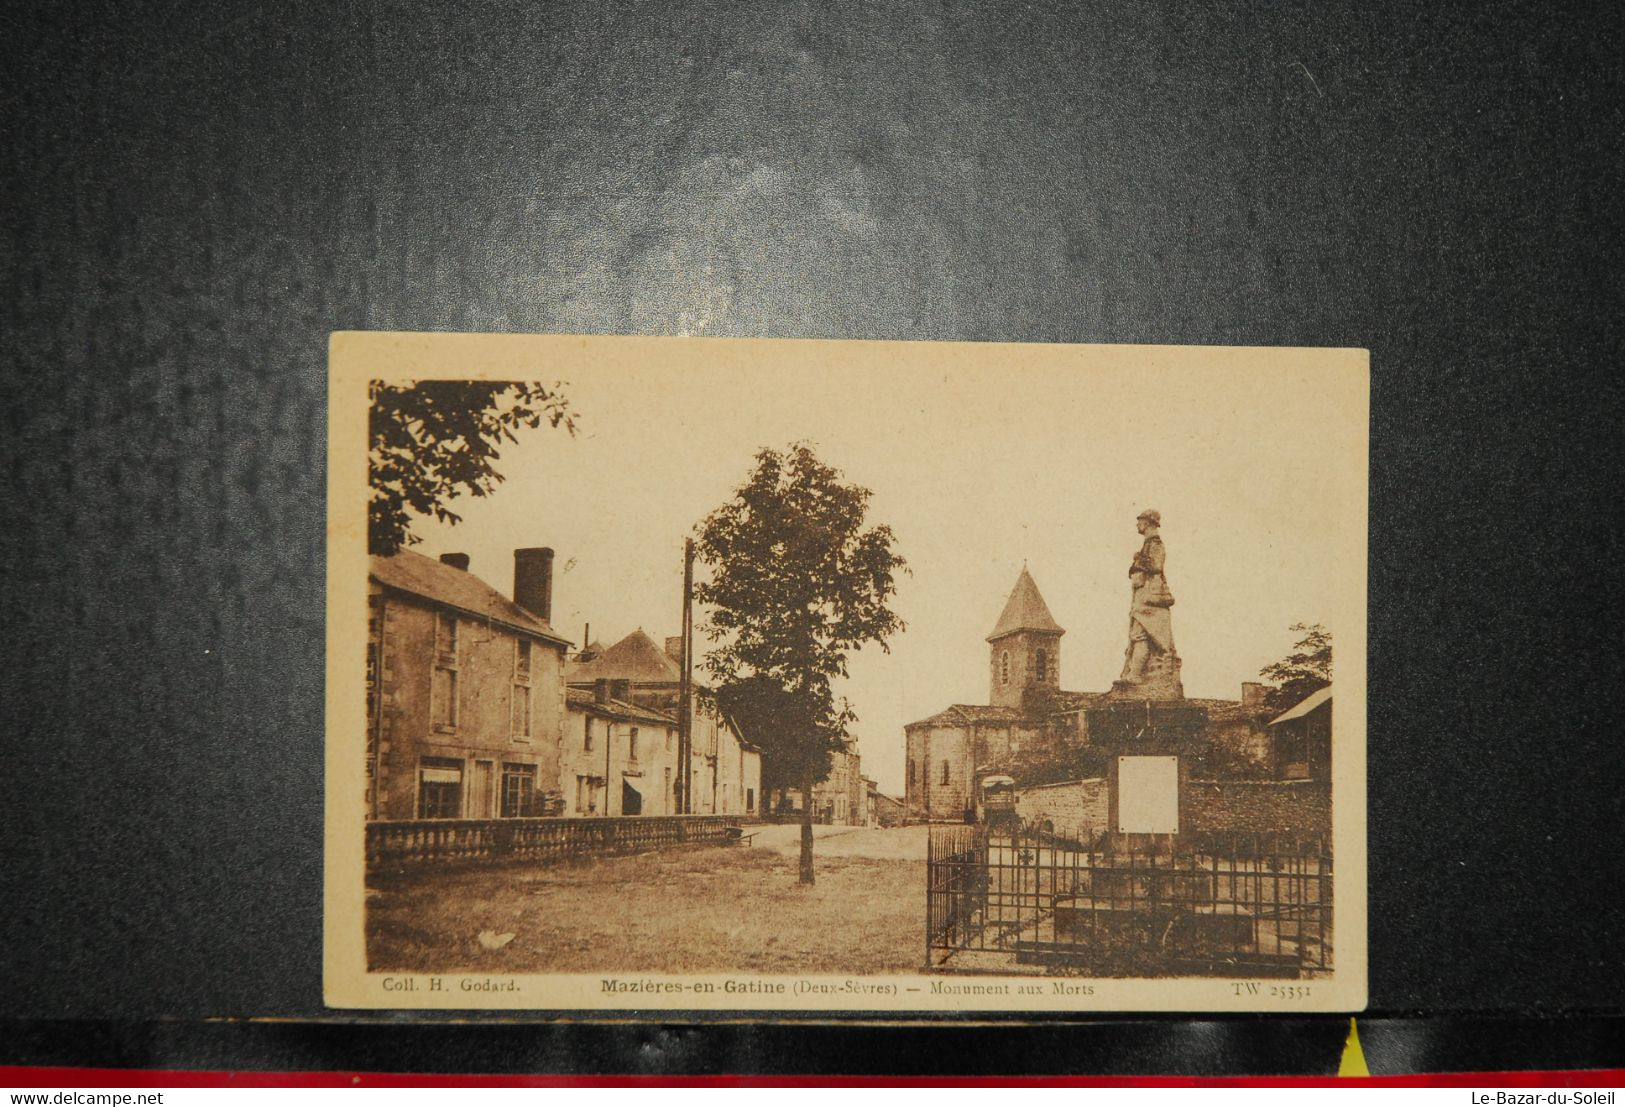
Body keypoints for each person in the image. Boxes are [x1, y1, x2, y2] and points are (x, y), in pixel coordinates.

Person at [1119, 509, 1178, 684]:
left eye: (1140, 521)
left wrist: (1139, 560)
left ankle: (1136, 675)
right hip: (1142, 596)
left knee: (1142, 634)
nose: (1138, 524)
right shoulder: (1147, 544)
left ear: (1149, 523)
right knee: (1139, 634)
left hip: (1150, 598)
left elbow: (1157, 565)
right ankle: (1135, 674)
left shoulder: (1156, 543)